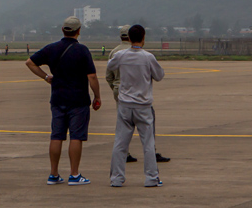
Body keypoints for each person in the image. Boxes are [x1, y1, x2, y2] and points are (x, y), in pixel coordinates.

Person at [24, 15, 102, 185]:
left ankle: (53, 174)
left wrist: (46, 77)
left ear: (63, 30)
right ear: (78, 31)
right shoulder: (82, 50)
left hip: (58, 98)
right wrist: (97, 96)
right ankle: (74, 174)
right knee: (76, 136)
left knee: (57, 136)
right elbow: (92, 76)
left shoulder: (52, 48)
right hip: (78, 100)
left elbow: (30, 62)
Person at [107, 24, 165, 187]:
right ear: (143, 38)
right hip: (143, 105)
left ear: (129, 38)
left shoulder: (120, 55)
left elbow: (110, 66)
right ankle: (151, 177)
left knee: (120, 142)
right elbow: (159, 75)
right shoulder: (148, 57)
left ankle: (117, 178)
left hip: (125, 104)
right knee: (147, 143)